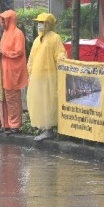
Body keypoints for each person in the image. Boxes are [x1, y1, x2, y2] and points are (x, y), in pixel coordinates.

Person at [28, 13, 66, 142]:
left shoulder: (55, 38)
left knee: (49, 102)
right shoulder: (37, 40)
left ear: (49, 24)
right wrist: (30, 72)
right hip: (37, 77)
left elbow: (60, 53)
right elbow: (32, 58)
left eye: (43, 22)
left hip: (49, 76)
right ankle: (44, 128)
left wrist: (62, 58)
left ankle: (49, 129)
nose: (40, 25)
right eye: (39, 22)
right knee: (39, 102)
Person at [0, 10, 27, 134]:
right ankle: (5, 124)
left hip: (13, 72)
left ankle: (15, 125)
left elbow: (18, 52)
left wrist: (3, 53)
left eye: (3, 21)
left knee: (12, 98)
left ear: (9, 20)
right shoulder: (5, 33)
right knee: (2, 97)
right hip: (3, 70)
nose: (1, 23)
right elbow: (4, 50)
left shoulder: (18, 34)